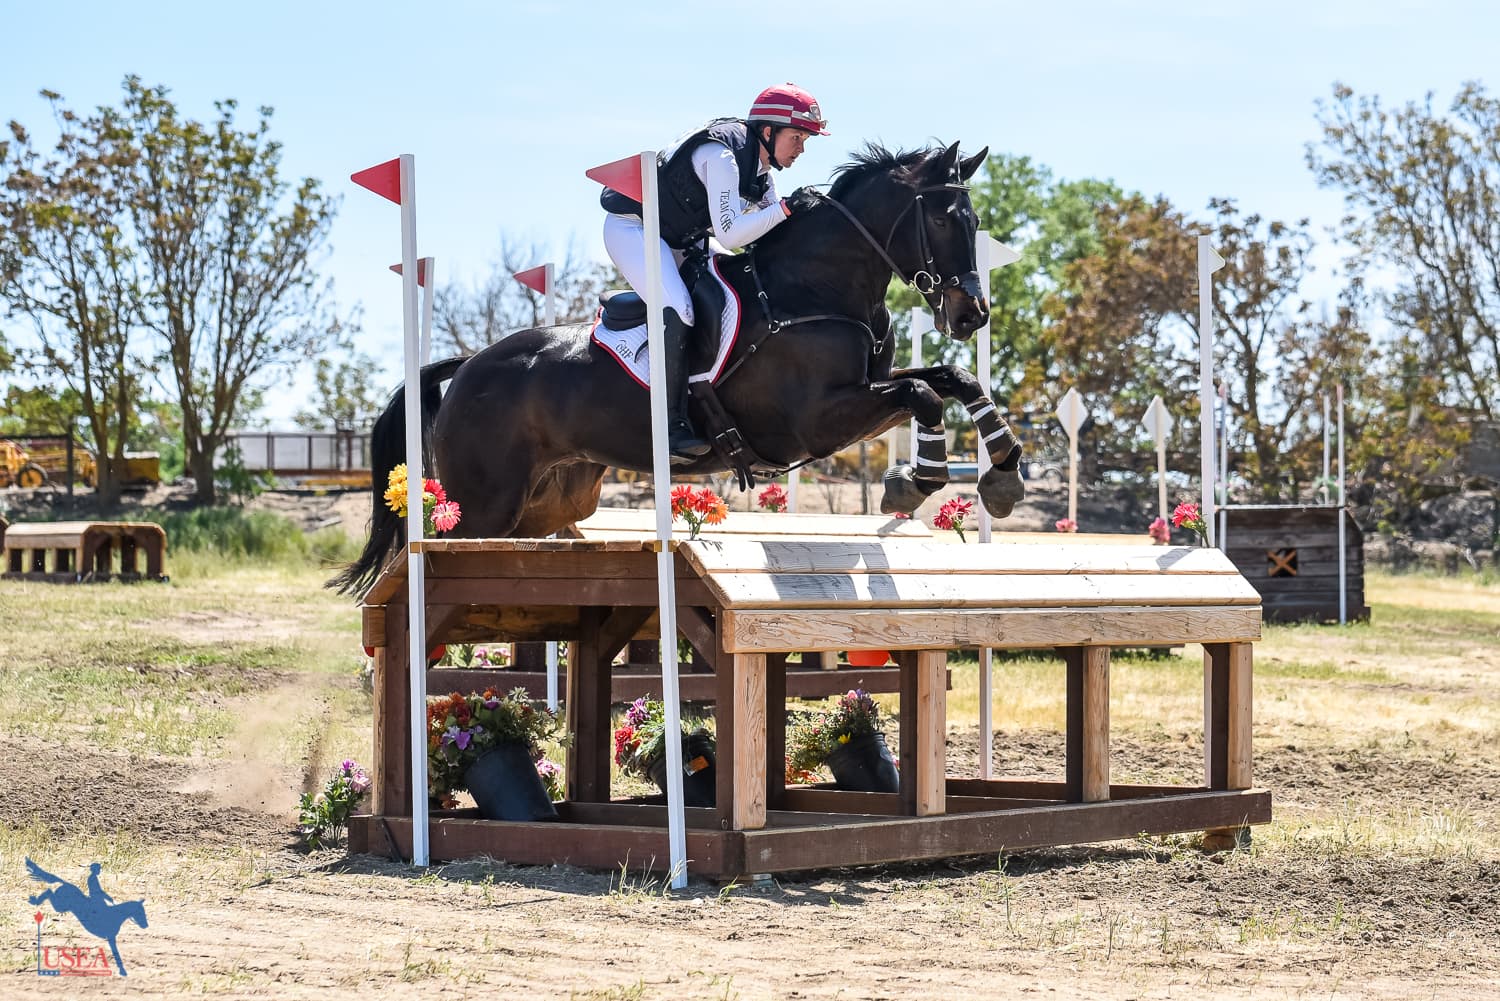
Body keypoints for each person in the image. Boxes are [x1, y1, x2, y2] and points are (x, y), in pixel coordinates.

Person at [600, 83, 828, 462]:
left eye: (805, 140)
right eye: (797, 137)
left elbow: (768, 232)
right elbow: (732, 233)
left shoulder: (761, 174)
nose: (801, 149)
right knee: (680, 307)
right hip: (634, 229)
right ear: (768, 131)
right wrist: (788, 208)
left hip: (680, 240)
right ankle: (671, 425)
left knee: (733, 283)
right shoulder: (721, 156)